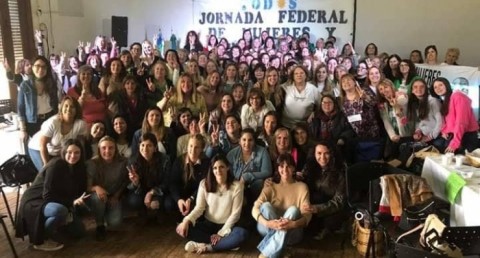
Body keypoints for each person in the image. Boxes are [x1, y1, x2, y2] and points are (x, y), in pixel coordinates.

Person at [16, 139, 88, 251]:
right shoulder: (56, 165)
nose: (73, 155)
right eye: (69, 152)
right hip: (36, 200)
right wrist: (71, 203)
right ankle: (41, 239)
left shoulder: (78, 167)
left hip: (56, 199)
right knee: (60, 210)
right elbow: (47, 195)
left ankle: (57, 227)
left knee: (80, 232)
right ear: (63, 152)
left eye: (77, 152)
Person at [176, 154, 248, 253]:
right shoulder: (204, 184)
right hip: (208, 226)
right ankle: (224, 244)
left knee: (241, 234)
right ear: (212, 170)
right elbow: (199, 208)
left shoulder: (237, 186)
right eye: (215, 168)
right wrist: (186, 220)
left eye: (221, 167)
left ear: (227, 167)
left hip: (227, 227)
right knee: (182, 228)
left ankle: (207, 247)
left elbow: (235, 214)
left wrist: (221, 234)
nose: (218, 171)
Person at [252, 153, 311, 258]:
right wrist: (268, 223)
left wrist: (292, 225)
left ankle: (267, 254)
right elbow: (255, 209)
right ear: (278, 169)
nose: (285, 169)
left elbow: (307, 215)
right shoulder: (270, 186)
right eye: (282, 166)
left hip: (293, 232)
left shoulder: (302, 187)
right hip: (267, 228)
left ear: (293, 168)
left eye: (288, 166)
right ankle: (280, 248)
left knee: (293, 210)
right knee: (265, 206)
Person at [28, 96, 87, 171]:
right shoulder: (53, 123)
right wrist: (47, 166)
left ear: (76, 110)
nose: (68, 109)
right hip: (38, 149)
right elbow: (42, 145)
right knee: (48, 173)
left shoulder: (81, 124)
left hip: (58, 152)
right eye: (66, 106)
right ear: (61, 109)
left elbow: (80, 145)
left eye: (72, 107)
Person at [301, 141, 346, 240]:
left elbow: (340, 201)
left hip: (330, 208)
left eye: (326, 153)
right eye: (319, 153)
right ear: (314, 153)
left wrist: (318, 208)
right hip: (312, 203)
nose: (322, 157)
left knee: (332, 221)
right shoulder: (309, 166)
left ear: (332, 154)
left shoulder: (340, 172)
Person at [86, 136, 128, 241]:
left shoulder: (123, 162)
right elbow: (87, 187)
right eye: (104, 148)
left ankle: (107, 213)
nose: (107, 151)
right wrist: (96, 187)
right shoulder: (92, 163)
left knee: (115, 222)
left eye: (111, 148)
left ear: (115, 149)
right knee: (97, 198)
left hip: (114, 194)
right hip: (98, 195)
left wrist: (116, 196)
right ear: (99, 149)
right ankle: (99, 224)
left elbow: (125, 182)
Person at [430, 77, 479, 153]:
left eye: (440, 85)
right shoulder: (447, 100)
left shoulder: (458, 96)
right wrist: (444, 131)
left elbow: (461, 122)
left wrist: (455, 143)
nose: (438, 88)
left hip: (466, 137)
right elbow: (449, 121)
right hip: (456, 135)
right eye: (435, 87)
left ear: (447, 85)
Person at [126, 133, 171, 214]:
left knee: (155, 204)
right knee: (133, 201)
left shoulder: (165, 160)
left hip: (158, 190)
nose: (145, 149)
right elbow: (129, 187)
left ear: (155, 148)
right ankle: (143, 215)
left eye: (149, 146)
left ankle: (156, 217)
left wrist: (151, 192)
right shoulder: (132, 161)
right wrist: (135, 182)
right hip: (140, 191)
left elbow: (166, 182)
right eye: (142, 145)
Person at [169, 134, 210, 217]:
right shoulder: (179, 161)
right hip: (181, 194)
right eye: (190, 146)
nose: (193, 150)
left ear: (201, 149)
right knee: (169, 204)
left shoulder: (206, 162)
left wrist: (191, 198)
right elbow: (173, 183)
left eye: (196, 147)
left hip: (197, 195)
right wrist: (179, 199)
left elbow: (203, 185)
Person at [18, 56, 59, 139]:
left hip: (50, 120)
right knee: (36, 148)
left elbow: (56, 104)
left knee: (49, 148)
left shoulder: (52, 84)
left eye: (44, 67)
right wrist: (22, 129)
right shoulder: (25, 85)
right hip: (33, 122)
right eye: (37, 66)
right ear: (32, 67)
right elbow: (20, 108)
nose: (41, 69)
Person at [227, 128, 272, 202]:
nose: (247, 143)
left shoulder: (262, 151)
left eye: (250, 140)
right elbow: (227, 173)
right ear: (239, 141)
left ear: (254, 141)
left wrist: (248, 176)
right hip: (236, 186)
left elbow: (267, 171)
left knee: (260, 183)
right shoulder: (232, 154)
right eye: (244, 140)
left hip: (254, 188)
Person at [407, 78, 443, 143]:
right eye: (415, 87)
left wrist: (431, 136)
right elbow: (421, 121)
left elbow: (440, 122)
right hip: (424, 135)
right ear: (412, 90)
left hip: (436, 136)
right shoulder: (416, 102)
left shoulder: (433, 101)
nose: (419, 89)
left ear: (426, 89)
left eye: (422, 87)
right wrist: (418, 131)